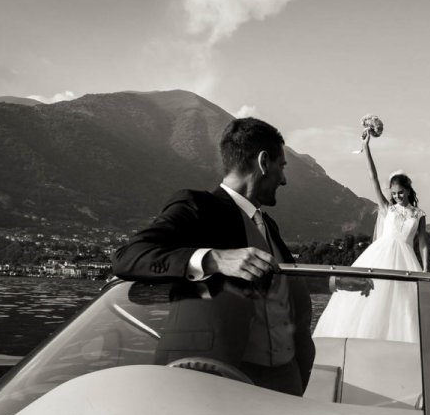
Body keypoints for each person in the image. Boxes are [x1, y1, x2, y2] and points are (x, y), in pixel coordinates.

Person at [111, 117, 315, 396]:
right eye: (282, 166)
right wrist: (214, 259)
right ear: (263, 162)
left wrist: (333, 284)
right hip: (217, 376)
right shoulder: (198, 206)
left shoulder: (269, 225)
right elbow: (128, 256)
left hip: (285, 378)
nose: (284, 179)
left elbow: (280, 285)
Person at [313, 132, 427, 342]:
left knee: (404, 307)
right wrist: (366, 148)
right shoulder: (387, 209)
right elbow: (372, 178)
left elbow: (423, 245)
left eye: (400, 192)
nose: (396, 196)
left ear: (409, 191)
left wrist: (426, 269)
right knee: (371, 299)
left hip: (407, 261)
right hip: (380, 255)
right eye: (393, 193)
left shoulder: (418, 215)